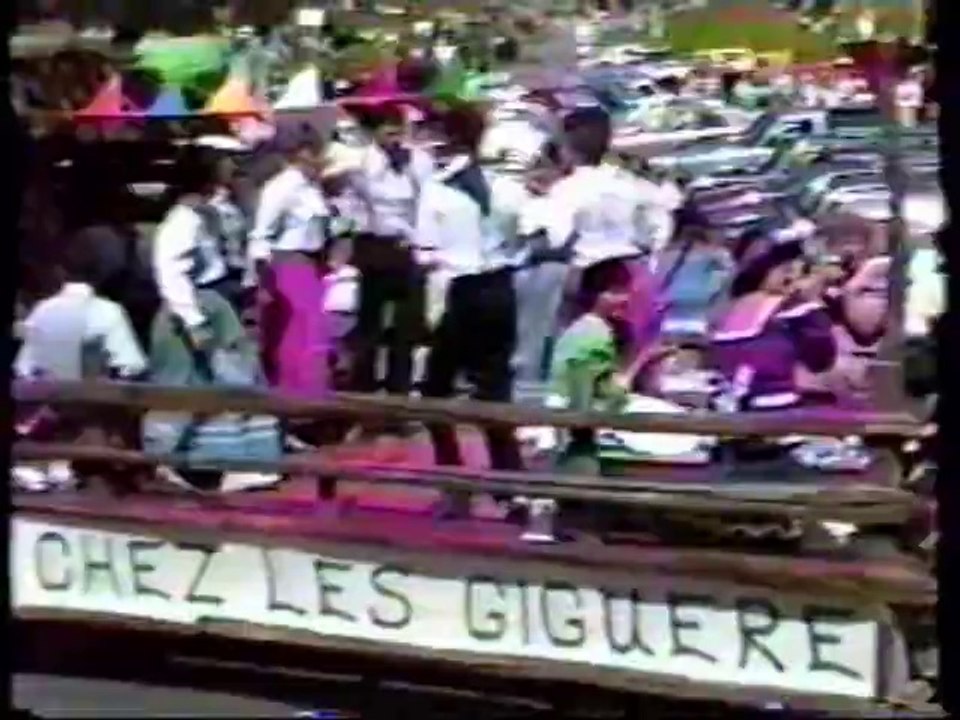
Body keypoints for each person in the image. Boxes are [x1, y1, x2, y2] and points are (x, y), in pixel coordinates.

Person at [414, 102, 529, 518]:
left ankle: (455, 485)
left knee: (434, 393)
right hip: (500, 288)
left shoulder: (438, 189)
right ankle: (510, 487)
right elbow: (527, 233)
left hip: (461, 290)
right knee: (495, 389)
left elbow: (427, 253)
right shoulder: (507, 185)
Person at [14, 241, 148, 492]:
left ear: (61, 272)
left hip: (49, 412)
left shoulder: (42, 311)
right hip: (93, 415)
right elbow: (131, 364)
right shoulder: (107, 311)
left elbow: (25, 367)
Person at [542, 106, 664, 362]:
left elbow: (556, 237)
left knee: (581, 353)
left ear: (567, 147)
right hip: (628, 273)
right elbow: (657, 228)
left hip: (588, 279)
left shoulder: (567, 189)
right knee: (629, 350)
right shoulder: (630, 184)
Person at [351, 102, 435, 431]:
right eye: (387, 131)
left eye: (398, 131)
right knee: (369, 329)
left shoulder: (420, 160)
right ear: (375, 133)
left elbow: (426, 199)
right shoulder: (362, 162)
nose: (394, 138)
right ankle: (365, 404)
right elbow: (364, 199)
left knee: (406, 329)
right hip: (374, 245)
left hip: (407, 248)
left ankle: (399, 403)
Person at [248, 125, 333, 406]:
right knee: (294, 341)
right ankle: (291, 403)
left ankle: (312, 402)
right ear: (302, 154)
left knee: (312, 338)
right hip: (287, 268)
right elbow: (260, 235)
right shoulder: (281, 188)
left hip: (311, 267)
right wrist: (264, 280)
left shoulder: (311, 187)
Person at [708, 227, 837, 411]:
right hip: (778, 412)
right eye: (788, 270)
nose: (793, 277)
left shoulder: (729, 308)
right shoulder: (795, 310)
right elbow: (821, 358)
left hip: (733, 409)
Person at [152, 148, 236, 346]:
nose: (232, 166)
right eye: (225, 162)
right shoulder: (183, 220)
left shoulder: (208, 213)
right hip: (196, 305)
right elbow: (170, 271)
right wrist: (193, 320)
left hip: (218, 300)